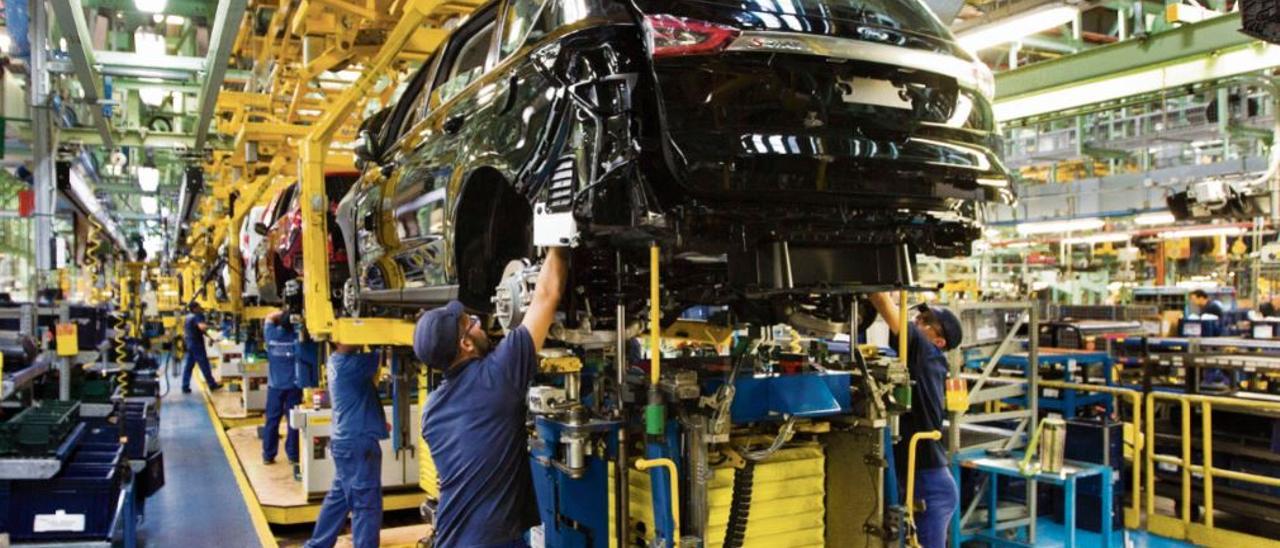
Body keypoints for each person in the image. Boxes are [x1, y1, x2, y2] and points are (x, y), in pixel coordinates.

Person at [415, 247, 568, 547]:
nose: (477, 321)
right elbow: (549, 294)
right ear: (465, 344)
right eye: (470, 322)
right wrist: (558, 238)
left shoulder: (431, 411)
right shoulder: (496, 377)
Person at [868, 293, 961, 548]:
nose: (917, 322)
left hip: (931, 486)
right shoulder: (919, 358)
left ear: (939, 341)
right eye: (918, 317)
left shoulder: (928, 354)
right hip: (915, 475)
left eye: (925, 321)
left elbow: (883, 303)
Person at [304, 344, 386, 548]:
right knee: (366, 505)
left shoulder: (336, 361)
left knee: (338, 499)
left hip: (346, 441)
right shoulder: (351, 364)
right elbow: (382, 351)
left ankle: (317, 545)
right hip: (358, 443)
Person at [262, 308, 302, 467]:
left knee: (272, 421)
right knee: (293, 422)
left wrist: (283, 312)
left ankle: (268, 454)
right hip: (294, 386)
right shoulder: (298, 338)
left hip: (275, 386)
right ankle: (293, 455)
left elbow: (269, 316)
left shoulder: (270, 334)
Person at [182, 302, 222, 393]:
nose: (200, 308)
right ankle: (212, 385)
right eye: (199, 306)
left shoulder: (188, 317)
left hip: (189, 344)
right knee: (204, 365)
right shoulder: (197, 316)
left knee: (188, 366)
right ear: (195, 308)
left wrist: (210, 337)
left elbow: (198, 330)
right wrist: (214, 327)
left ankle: (185, 386)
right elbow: (202, 327)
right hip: (197, 345)